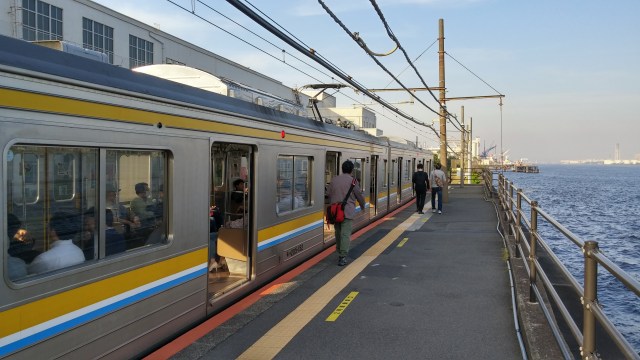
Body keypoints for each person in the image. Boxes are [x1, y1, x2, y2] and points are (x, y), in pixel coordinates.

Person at [327, 160, 366, 266]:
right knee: (345, 234)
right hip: (347, 212)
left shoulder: (334, 180)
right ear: (351, 170)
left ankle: (339, 251)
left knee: (338, 233)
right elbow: (359, 195)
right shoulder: (353, 181)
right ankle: (342, 256)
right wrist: (363, 206)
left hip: (336, 211)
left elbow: (329, 194)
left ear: (342, 169)